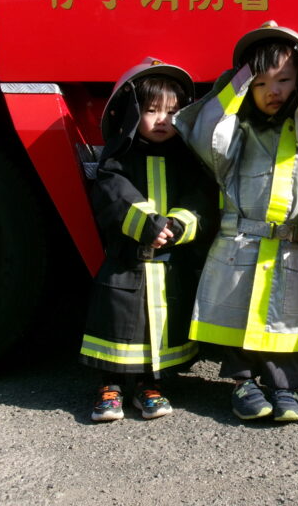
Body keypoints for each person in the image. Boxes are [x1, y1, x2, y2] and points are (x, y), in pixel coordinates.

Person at [173, 22, 298, 422]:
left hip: (289, 244)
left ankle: (284, 388)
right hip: (239, 243)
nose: (274, 91)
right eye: (261, 83)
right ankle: (243, 384)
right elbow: (208, 137)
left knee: (282, 325)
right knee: (237, 318)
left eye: (285, 80)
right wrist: (235, 87)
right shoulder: (237, 132)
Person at [80, 58, 217, 422]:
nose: (163, 120)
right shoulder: (118, 157)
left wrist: (179, 225)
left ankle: (150, 387)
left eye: (173, 112)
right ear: (131, 113)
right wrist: (147, 224)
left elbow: (201, 200)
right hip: (127, 262)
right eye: (152, 110)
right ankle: (110, 387)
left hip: (170, 265)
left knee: (161, 326)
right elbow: (112, 194)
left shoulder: (187, 159)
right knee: (118, 324)